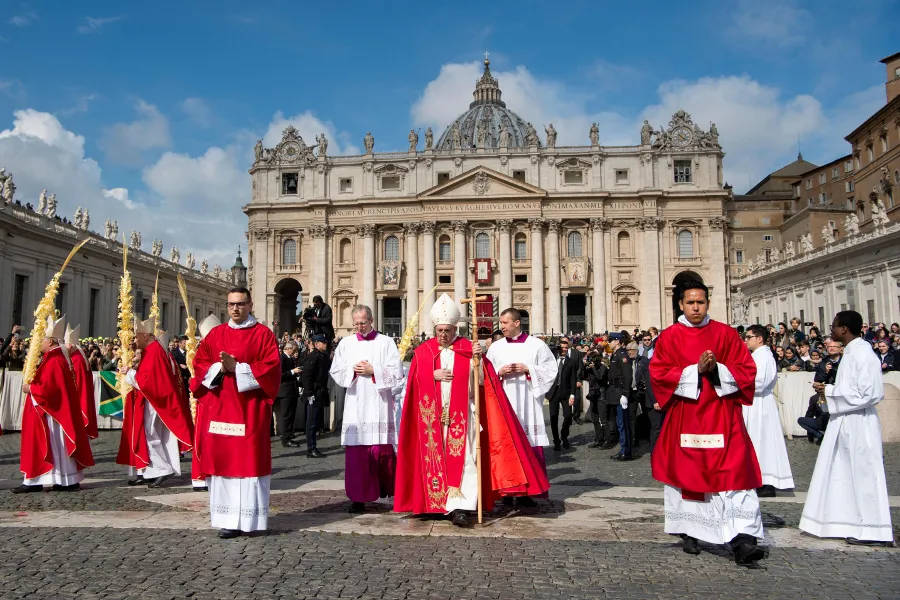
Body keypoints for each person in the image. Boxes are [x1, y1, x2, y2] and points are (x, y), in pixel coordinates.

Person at [394, 294, 548, 526]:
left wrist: (479, 361)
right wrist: (430, 375)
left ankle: (460, 507)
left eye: (447, 330)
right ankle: (435, 505)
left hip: (462, 415)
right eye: (439, 330)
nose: (443, 335)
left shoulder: (468, 348)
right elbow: (412, 384)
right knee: (434, 461)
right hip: (431, 420)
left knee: (465, 460)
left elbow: (486, 384)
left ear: (455, 328)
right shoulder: (423, 351)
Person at [649, 280, 766, 567]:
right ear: (681, 304)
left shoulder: (725, 335)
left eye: (700, 302)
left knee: (736, 473)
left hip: (723, 415)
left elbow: (747, 370)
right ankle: (690, 531)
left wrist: (718, 370)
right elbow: (659, 373)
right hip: (687, 416)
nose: (696, 308)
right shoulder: (670, 337)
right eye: (690, 303)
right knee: (688, 476)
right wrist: (694, 370)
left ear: (708, 303)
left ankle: (743, 539)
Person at [189, 287, 280, 538]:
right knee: (223, 464)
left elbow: (271, 369)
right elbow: (199, 365)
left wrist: (238, 368)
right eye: (230, 304)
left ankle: (250, 521)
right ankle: (227, 520)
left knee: (248, 463)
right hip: (220, 409)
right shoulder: (215, 335)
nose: (235, 309)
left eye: (240, 304)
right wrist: (220, 367)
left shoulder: (263, 335)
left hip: (249, 410)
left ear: (250, 304)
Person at [800, 311, 894, 545]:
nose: (831, 331)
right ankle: (847, 521)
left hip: (859, 423)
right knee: (843, 472)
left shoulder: (864, 354)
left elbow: (871, 393)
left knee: (864, 474)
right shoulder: (851, 352)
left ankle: (873, 530)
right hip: (845, 420)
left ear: (844, 329)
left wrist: (829, 392)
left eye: (834, 326)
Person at [330, 304, 404, 513]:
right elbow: (336, 370)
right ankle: (358, 497)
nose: (360, 327)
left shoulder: (386, 342)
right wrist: (352, 371)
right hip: (356, 405)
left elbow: (397, 374)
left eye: (363, 323)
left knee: (380, 451)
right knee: (358, 454)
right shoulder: (346, 343)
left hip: (379, 403)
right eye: (356, 324)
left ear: (372, 321)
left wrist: (374, 371)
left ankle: (388, 491)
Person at [485, 307, 558, 503]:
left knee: (528, 444)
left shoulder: (536, 345)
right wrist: (499, 372)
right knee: (506, 447)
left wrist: (529, 369)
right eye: (501, 323)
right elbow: (486, 375)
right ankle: (506, 491)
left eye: (505, 323)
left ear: (517, 323)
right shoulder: (495, 347)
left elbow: (551, 369)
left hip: (527, 404)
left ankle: (528, 493)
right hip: (503, 402)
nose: (502, 327)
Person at [15, 316, 94, 493]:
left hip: (52, 412)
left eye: (41, 339)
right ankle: (61, 479)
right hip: (52, 411)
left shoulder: (54, 359)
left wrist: (30, 388)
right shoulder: (55, 357)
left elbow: (49, 389)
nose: (38, 343)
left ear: (50, 341)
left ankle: (55, 480)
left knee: (54, 444)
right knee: (56, 445)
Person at [116, 317, 195, 488]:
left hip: (154, 401)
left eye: (137, 336)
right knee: (151, 435)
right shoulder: (151, 350)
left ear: (146, 335)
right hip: (152, 400)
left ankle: (162, 469)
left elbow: (147, 381)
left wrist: (129, 373)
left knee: (150, 434)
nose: (135, 340)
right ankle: (150, 471)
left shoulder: (154, 352)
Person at [741, 325, 794, 497]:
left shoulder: (763, 356)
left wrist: (737, 383)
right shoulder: (757, 356)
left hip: (760, 404)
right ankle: (757, 478)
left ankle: (764, 481)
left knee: (761, 441)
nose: (746, 340)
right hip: (754, 403)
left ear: (759, 339)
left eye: (749, 337)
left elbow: (760, 382)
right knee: (755, 440)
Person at [64, 324, 98, 440]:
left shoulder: (77, 360)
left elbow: (77, 384)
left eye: (66, 346)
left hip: (77, 399)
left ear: (72, 346)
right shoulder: (76, 356)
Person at [545, 337, 579, 451]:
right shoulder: (552, 359)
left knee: (568, 416)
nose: (563, 349)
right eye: (561, 347)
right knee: (553, 418)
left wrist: (573, 394)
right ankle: (556, 441)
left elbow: (573, 379)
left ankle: (564, 436)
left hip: (566, 392)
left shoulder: (571, 362)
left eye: (565, 348)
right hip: (553, 392)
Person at [300, 334, 330, 458]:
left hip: (320, 392)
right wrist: (309, 394)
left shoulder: (322, 356)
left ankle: (313, 447)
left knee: (315, 422)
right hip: (314, 393)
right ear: (317, 343)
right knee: (311, 423)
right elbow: (307, 376)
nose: (326, 345)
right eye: (323, 343)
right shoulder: (314, 356)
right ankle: (310, 448)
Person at [608, 341, 639, 461]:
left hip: (621, 393)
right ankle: (623, 449)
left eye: (610, 340)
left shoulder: (622, 355)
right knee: (619, 423)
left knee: (623, 424)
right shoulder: (616, 355)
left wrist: (625, 394)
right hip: (615, 393)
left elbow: (627, 376)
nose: (608, 343)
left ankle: (626, 451)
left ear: (616, 342)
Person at [634, 339, 662, 453]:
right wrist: (655, 401)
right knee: (656, 428)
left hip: (663, 400)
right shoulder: (651, 362)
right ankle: (655, 452)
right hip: (653, 401)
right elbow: (649, 384)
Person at [276, 341, 301, 448]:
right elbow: (279, 375)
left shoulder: (289, 358)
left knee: (290, 415)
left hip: (291, 391)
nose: (295, 352)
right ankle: (285, 439)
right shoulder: (282, 358)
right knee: (286, 416)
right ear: (289, 349)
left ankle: (289, 436)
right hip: (285, 391)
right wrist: (292, 372)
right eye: (294, 350)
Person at [584, 353, 609, 448]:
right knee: (594, 419)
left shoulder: (603, 367)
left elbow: (599, 377)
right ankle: (599, 439)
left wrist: (593, 368)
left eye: (592, 360)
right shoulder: (591, 368)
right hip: (593, 394)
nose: (591, 362)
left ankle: (607, 440)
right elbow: (584, 376)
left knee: (603, 419)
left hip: (601, 395)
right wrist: (585, 367)